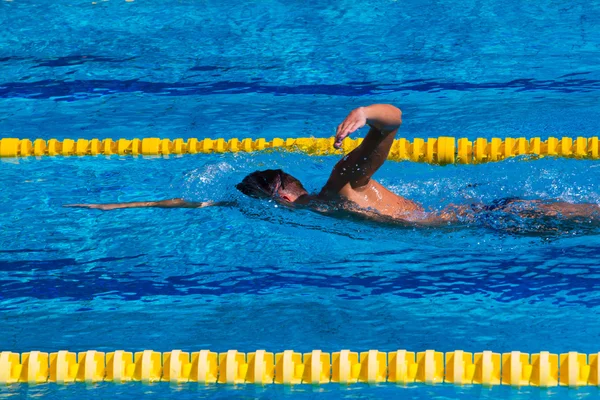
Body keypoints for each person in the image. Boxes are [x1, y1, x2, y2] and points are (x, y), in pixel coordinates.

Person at [66, 104, 599, 225]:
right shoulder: (318, 203)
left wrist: (365, 112)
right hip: (488, 219)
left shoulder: (344, 181)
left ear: (283, 194)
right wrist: (120, 203)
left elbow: (393, 124)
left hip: (493, 216)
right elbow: (201, 201)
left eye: (269, 200)